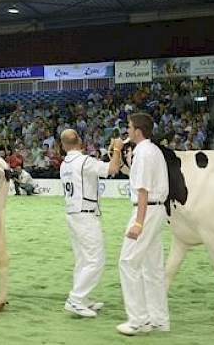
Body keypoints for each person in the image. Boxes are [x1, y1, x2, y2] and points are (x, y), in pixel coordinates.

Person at [59, 129, 122, 318]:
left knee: (83, 259)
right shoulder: (84, 161)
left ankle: (81, 297)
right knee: (95, 259)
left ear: (63, 145)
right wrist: (117, 149)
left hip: (72, 213)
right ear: (79, 141)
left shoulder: (65, 163)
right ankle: (76, 299)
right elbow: (112, 169)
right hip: (85, 214)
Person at [117, 112, 170, 336]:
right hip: (155, 209)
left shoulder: (144, 152)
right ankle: (158, 319)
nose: (127, 130)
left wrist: (138, 222)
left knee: (128, 262)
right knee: (152, 268)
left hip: (146, 210)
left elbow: (142, 190)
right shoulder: (152, 150)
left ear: (137, 130)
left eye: (129, 127)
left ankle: (138, 320)